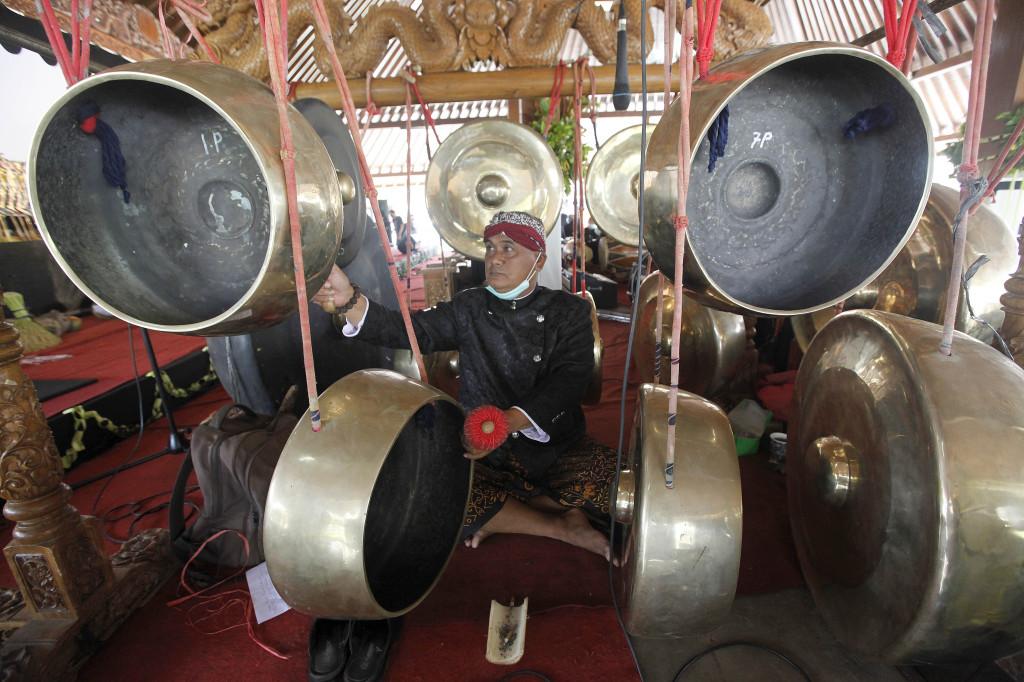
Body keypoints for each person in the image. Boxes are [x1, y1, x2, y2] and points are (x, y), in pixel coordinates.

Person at [306, 210, 619, 682]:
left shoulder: (569, 312)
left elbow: (569, 381)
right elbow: (409, 330)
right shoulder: (471, 306)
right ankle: (560, 526)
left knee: (611, 479)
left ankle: (512, 515)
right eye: (490, 248)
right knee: (439, 504)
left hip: (551, 448)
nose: (494, 258)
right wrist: (349, 300)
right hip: (484, 456)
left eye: (509, 249)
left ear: (538, 260)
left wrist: (511, 420)